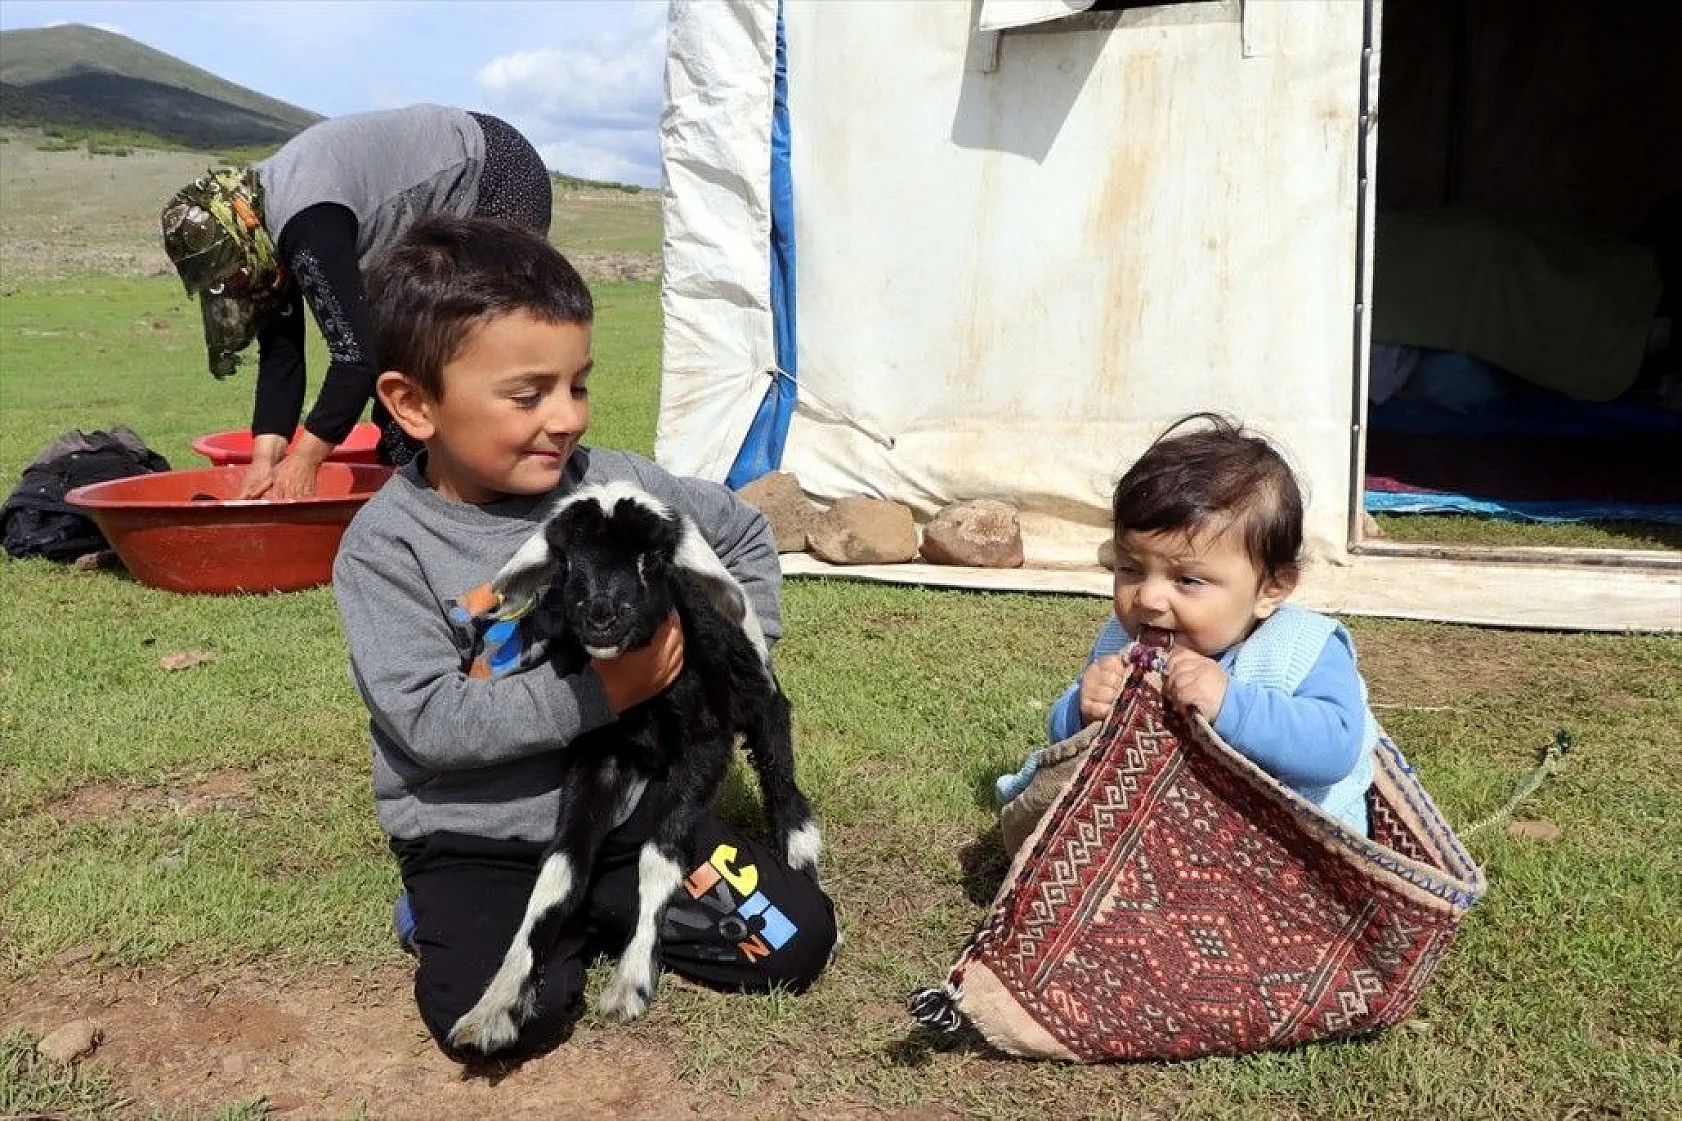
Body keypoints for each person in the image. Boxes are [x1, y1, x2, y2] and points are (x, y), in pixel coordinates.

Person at [331, 215, 837, 1061]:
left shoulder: (623, 486)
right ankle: (447, 913)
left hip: (631, 810)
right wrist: (604, 693)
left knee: (792, 940)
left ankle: (607, 904)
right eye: (528, 395)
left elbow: (743, 537)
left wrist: (732, 657)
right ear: (413, 403)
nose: (564, 418)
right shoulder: (387, 549)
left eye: (578, 385)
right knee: (507, 1021)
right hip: (479, 837)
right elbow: (430, 720)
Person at [996, 413, 1377, 839]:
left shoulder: (1302, 647)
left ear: (1270, 589)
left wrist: (1230, 703)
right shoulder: (1124, 641)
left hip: (1291, 844)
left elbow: (1335, 748)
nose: (1148, 599)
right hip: (1170, 837)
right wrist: (1083, 707)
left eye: (1188, 580)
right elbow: (1065, 741)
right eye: (1131, 569)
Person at [160, 103, 553, 499]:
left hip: (490, 171)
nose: (236, 284)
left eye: (232, 273)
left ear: (239, 240)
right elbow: (282, 355)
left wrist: (306, 460)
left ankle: (503, 494)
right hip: (444, 197)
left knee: (472, 351)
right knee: (399, 363)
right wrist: (264, 463)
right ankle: (412, 489)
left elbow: (354, 360)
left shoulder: (306, 223)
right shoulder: (257, 221)